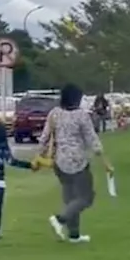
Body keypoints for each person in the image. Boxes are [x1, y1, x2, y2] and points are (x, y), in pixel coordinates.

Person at [38, 84, 114, 244]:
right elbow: (91, 139)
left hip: (59, 162)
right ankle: (60, 219)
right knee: (86, 198)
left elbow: (44, 137)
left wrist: (40, 156)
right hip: (78, 161)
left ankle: (74, 235)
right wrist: (105, 161)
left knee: (70, 198)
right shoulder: (81, 116)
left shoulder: (54, 114)